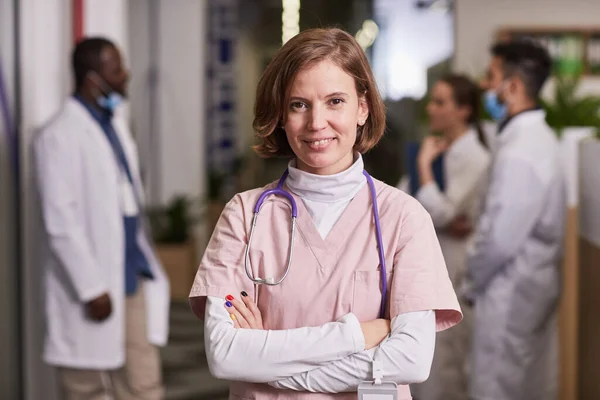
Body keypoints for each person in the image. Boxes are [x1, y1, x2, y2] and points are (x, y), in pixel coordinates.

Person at [189, 28, 462, 399]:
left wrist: (275, 368)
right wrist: (356, 335)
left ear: (362, 108)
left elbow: (411, 360)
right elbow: (224, 355)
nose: (317, 123)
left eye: (335, 101)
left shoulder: (403, 217)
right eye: (298, 104)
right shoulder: (243, 215)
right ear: (281, 116)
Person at [34, 37, 169, 400]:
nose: (125, 76)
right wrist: (91, 287)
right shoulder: (58, 136)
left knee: (143, 383)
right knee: (86, 388)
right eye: (116, 69)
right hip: (91, 284)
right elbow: (60, 221)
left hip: (131, 274)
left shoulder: (115, 125)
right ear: (93, 79)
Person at [464, 39, 566, 400]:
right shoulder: (536, 139)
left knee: (496, 386)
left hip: (508, 291)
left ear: (514, 87)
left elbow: (500, 241)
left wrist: (470, 283)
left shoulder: (522, 152)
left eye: (491, 76)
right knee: (525, 382)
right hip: (527, 287)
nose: (484, 85)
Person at [398, 74, 491, 400]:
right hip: (427, 261)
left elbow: (441, 214)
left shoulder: (475, 157)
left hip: (454, 267)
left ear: (463, 110)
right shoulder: (436, 146)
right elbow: (404, 203)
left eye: (440, 102)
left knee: (446, 365)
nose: (430, 108)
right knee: (425, 362)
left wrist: (425, 167)